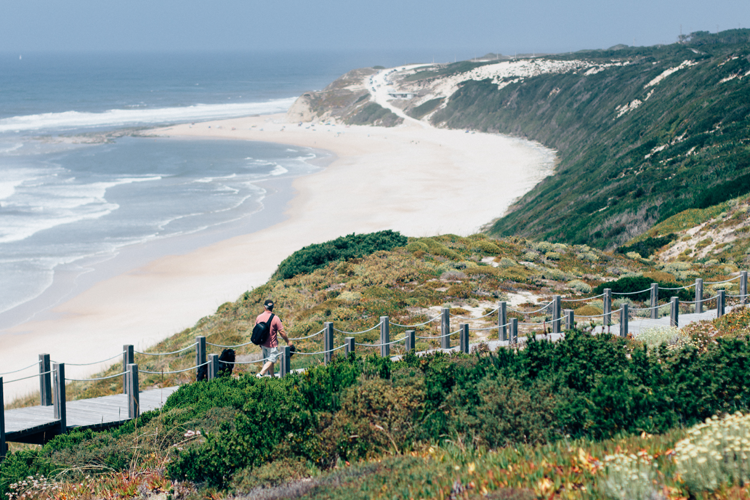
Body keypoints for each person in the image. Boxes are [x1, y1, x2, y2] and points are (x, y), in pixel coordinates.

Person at [255, 299, 292, 377]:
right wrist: (288, 341)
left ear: (265, 307)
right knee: (271, 360)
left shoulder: (259, 317)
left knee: (269, 361)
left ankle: (272, 376)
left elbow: (256, 330)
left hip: (263, 344)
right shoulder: (275, 318)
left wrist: (259, 342)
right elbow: (282, 332)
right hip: (272, 345)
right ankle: (260, 374)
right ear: (272, 307)